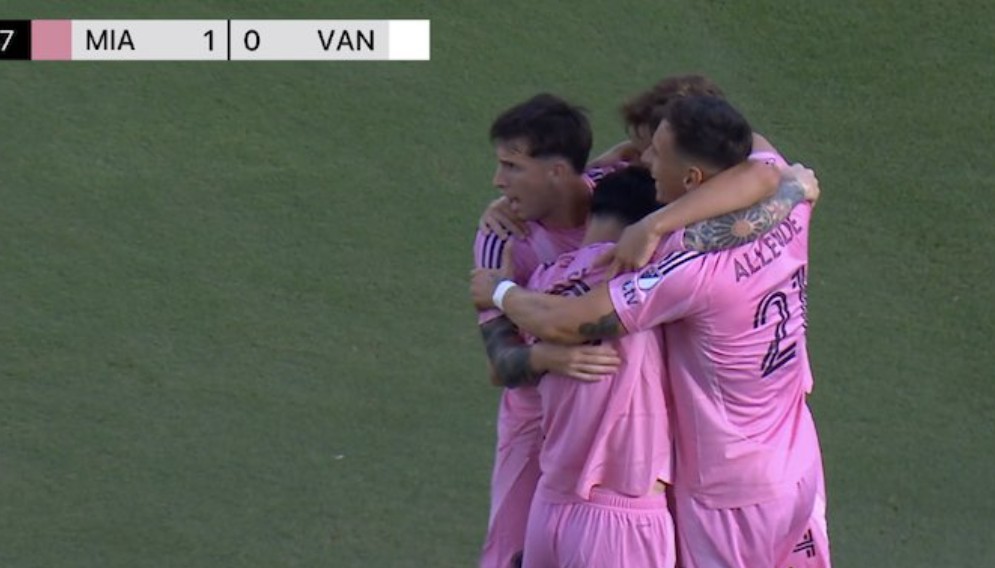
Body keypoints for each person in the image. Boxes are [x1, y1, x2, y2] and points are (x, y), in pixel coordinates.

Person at [471, 95, 830, 568]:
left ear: (691, 179)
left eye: (657, 154)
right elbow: (762, 165)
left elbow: (569, 319)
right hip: (793, 457)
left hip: (724, 491)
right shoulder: (786, 207)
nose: (644, 159)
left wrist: (499, 292)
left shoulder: (678, 268)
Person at [484, 167, 676, 567]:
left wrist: (500, 289)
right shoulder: (642, 277)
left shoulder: (538, 283)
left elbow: (502, 365)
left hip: (548, 506)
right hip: (620, 518)